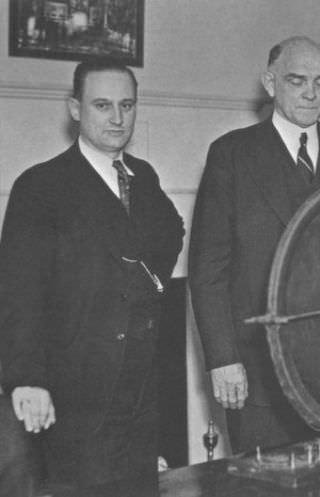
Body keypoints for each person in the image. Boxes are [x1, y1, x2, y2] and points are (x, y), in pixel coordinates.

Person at [0, 58, 184, 489]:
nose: (117, 118)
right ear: (76, 109)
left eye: (127, 105)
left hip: (140, 397)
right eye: (103, 105)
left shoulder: (145, 178)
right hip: (73, 397)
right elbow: (17, 291)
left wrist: (147, 278)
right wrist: (27, 379)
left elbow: (172, 229)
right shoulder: (40, 186)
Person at [189, 36, 320, 454]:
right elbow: (208, 269)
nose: (311, 92)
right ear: (270, 83)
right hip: (257, 374)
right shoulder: (231, 154)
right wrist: (222, 359)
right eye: (297, 81)